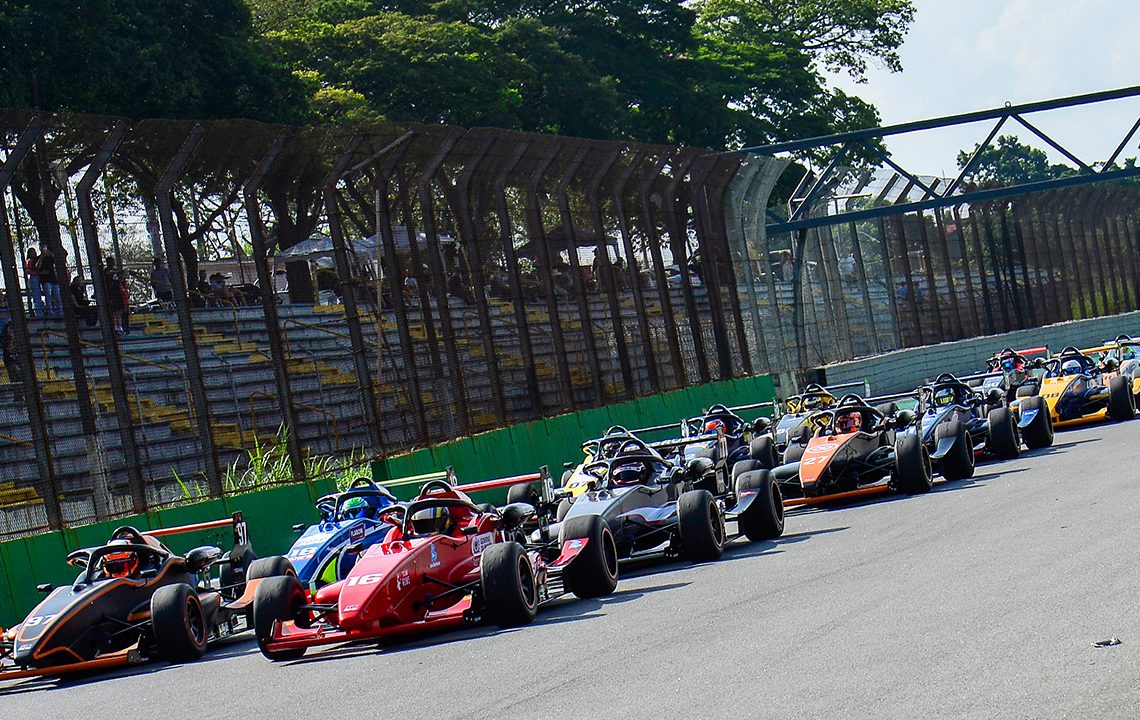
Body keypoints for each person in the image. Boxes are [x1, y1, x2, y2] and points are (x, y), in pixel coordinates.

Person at [38, 248, 63, 317]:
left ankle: (60, 311)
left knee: (57, 296)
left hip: (54, 280)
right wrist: (41, 257)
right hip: (46, 280)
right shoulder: (39, 258)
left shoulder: (51, 258)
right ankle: (50, 312)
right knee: (48, 296)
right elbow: (37, 266)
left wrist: (51, 254)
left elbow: (57, 261)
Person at [24, 248, 44, 317]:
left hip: (38, 278)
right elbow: (28, 271)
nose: (34, 253)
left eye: (34, 251)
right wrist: (38, 272)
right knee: (36, 295)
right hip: (33, 278)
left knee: (39, 295)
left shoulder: (36, 260)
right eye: (32, 252)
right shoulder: (29, 261)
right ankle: (38, 313)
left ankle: (40, 311)